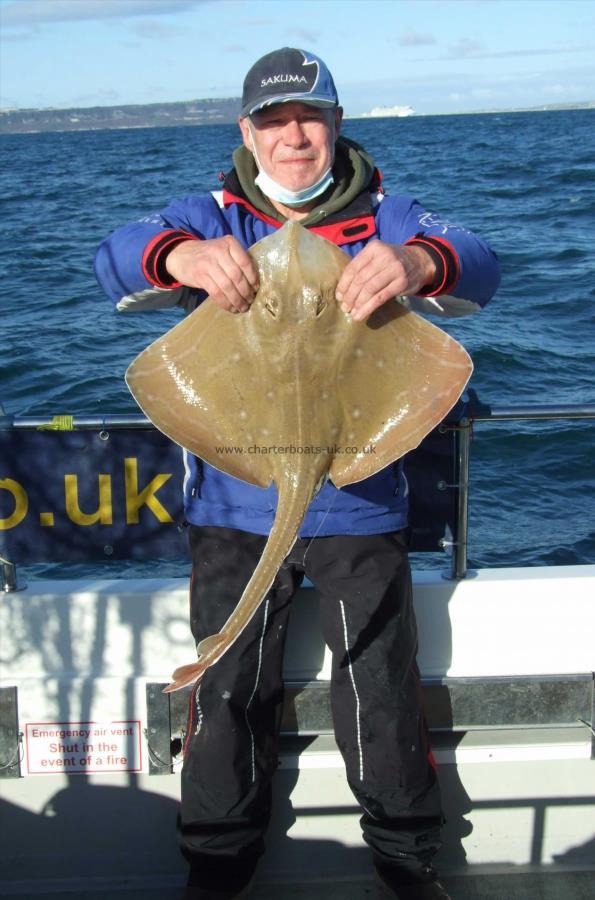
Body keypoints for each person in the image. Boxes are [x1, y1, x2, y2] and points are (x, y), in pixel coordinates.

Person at [95, 48, 500, 900]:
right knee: (227, 685)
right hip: (237, 503)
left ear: (335, 125)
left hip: (357, 501)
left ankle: (403, 849)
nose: (292, 137)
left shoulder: (384, 215)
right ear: (248, 132)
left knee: (377, 683)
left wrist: (419, 264)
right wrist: (180, 260)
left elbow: (478, 260)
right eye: (273, 123)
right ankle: (216, 855)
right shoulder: (208, 214)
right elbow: (115, 258)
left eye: (308, 119)